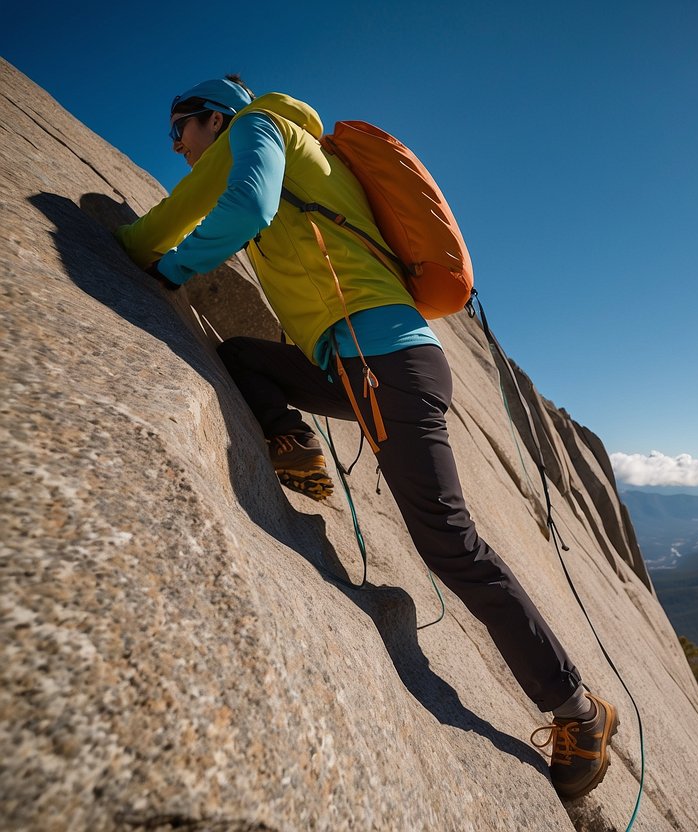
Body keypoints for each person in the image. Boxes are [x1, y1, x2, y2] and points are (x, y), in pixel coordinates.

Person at [116, 75, 618, 801]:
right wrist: (133, 244)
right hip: (363, 366)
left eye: (180, 129)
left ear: (215, 117)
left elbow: (243, 208)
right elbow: (183, 209)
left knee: (449, 542)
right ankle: (295, 447)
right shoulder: (275, 145)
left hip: (384, 365)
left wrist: (165, 270)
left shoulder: (260, 129)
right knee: (247, 359)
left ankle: (578, 709)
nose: (176, 147)